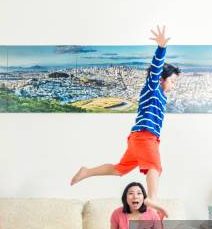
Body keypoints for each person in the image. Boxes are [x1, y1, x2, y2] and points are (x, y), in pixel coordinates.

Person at [71, 26, 180, 219]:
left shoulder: (161, 96)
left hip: (137, 139)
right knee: (154, 167)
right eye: (172, 80)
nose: (174, 84)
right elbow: (155, 70)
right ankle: (153, 199)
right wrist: (161, 48)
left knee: (119, 169)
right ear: (162, 80)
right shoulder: (152, 89)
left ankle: (87, 172)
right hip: (145, 136)